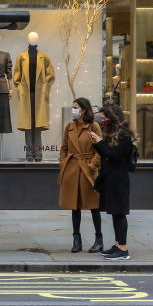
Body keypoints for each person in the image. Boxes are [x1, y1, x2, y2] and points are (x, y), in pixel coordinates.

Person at [89, 101, 134, 261]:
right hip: (111, 178)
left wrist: (99, 142)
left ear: (112, 118)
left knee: (119, 213)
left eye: (104, 118)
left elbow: (114, 155)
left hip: (118, 179)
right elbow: (106, 152)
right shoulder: (113, 133)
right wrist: (99, 142)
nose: (102, 121)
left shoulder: (123, 135)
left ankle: (123, 249)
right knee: (115, 213)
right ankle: (117, 244)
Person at [58, 97, 104, 253]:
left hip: (88, 170)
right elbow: (64, 148)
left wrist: (93, 165)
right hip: (72, 169)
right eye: (72, 107)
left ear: (84, 109)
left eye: (76, 107)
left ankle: (99, 239)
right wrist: (64, 163)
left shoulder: (94, 126)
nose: (73, 110)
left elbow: (100, 148)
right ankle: (76, 239)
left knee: (94, 206)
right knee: (74, 206)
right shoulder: (69, 127)